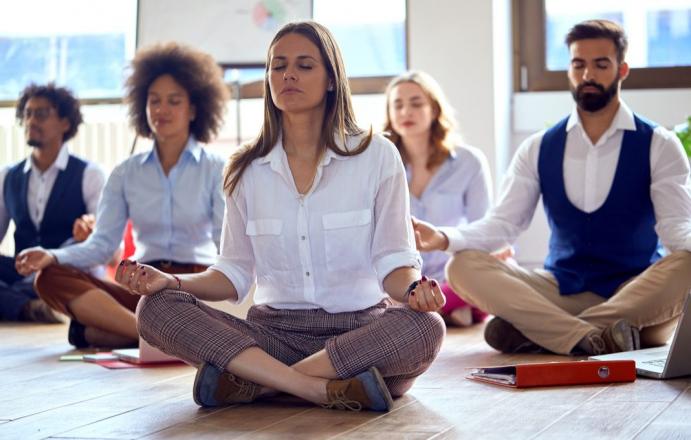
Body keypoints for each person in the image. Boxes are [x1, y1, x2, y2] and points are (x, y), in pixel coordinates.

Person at [115, 21, 446, 412]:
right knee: (155, 307)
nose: (288, 74)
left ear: (330, 79)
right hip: (271, 337)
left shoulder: (376, 155)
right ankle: (318, 388)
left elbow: (394, 260)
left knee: (426, 327)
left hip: (361, 332)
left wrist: (413, 292)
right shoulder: (244, 168)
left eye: (305, 65)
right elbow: (232, 273)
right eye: (278, 65)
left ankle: (260, 385)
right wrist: (170, 281)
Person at [414, 19, 691, 356]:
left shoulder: (658, 144)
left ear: (622, 70)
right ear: (570, 70)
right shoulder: (539, 147)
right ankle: (602, 335)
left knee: (687, 265)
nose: (588, 74)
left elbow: (676, 228)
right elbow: (504, 224)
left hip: (634, 289)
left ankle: (548, 331)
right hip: (561, 288)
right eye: (579, 64)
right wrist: (443, 238)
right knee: (461, 266)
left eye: (601, 64)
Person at [15, 42, 228, 349]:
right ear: (142, 106)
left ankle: (105, 335)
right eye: (154, 101)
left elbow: (225, 245)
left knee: (193, 310)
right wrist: (52, 256)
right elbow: (102, 246)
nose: (161, 110)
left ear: (194, 108)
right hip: (141, 285)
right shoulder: (125, 172)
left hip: (192, 287)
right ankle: (155, 339)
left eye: (173, 101)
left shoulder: (216, 168)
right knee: (48, 277)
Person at [384, 71, 492, 327]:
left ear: (434, 109)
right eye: (397, 105)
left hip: (454, 275)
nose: (405, 112)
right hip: (402, 279)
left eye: (416, 103)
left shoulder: (469, 161)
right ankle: (441, 310)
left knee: (493, 271)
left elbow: (484, 228)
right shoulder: (382, 163)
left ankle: (430, 308)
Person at [1, 83, 105, 324]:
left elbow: (102, 244)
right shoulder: (8, 176)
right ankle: (30, 306)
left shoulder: (89, 173)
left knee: (65, 269)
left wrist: (88, 229)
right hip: (23, 274)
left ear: (66, 123)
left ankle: (20, 302)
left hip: (63, 271)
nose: (31, 121)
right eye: (27, 113)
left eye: (41, 113)